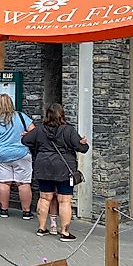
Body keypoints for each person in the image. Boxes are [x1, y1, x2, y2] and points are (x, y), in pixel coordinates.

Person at [23, 103, 89, 242]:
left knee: (44, 198)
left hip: (44, 166)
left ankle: (42, 228)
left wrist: (37, 147)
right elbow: (82, 148)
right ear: (62, 114)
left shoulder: (40, 130)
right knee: (64, 200)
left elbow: (25, 140)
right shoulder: (68, 130)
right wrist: (84, 142)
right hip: (64, 168)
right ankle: (65, 232)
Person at [0, 94, 35, 220]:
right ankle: (26, 212)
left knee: (4, 183)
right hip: (21, 153)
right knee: (23, 183)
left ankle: (4, 210)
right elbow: (34, 132)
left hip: (1, 154)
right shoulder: (21, 116)